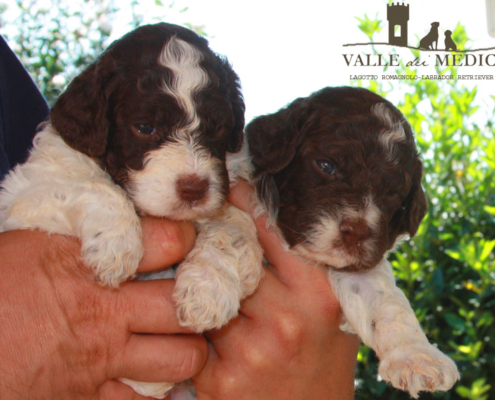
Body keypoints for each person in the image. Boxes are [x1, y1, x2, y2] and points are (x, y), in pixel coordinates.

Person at [0, 35, 358, 400]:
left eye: (214, 132)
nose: (193, 171)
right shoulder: (66, 149)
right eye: (147, 128)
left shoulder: (13, 98)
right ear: (99, 117)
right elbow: (28, 196)